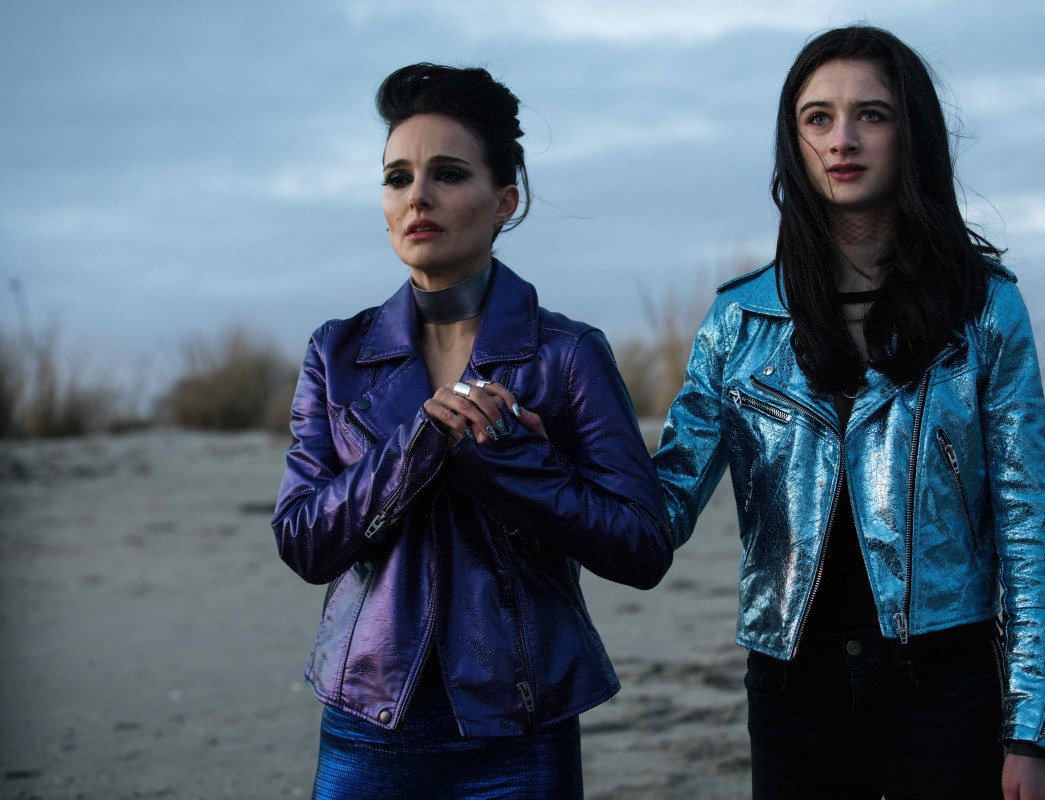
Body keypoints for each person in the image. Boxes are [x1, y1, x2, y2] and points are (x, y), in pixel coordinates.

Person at [653, 26, 1045, 800]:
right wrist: (545, 451)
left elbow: (1026, 525)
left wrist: (1029, 728)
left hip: (946, 684)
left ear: (911, 132)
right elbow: (661, 507)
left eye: (871, 114)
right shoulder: (738, 321)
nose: (842, 140)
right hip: (790, 686)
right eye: (817, 117)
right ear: (792, 139)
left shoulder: (983, 310)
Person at [271, 63, 672, 800]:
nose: (417, 196)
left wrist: (513, 465)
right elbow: (302, 542)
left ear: (504, 201)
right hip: (367, 720)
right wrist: (416, 449)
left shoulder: (567, 354)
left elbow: (642, 545)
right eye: (397, 178)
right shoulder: (337, 352)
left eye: (448, 174)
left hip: (521, 725)